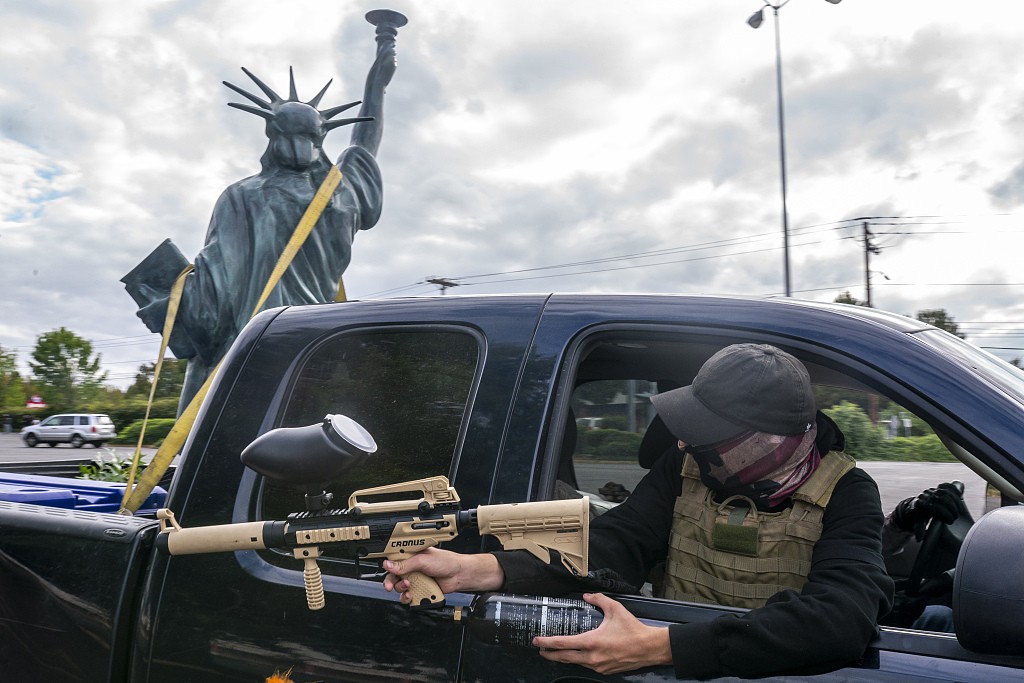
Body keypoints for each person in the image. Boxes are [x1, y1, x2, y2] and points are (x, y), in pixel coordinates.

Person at [384, 343, 895, 679]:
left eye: (707, 433)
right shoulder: (685, 466)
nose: (684, 442)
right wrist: (478, 568)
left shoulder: (847, 491)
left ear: (768, 443)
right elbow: (616, 544)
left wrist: (660, 647)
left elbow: (841, 620)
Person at [123, 13, 403, 414]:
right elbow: (365, 141)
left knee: (225, 445)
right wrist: (376, 84)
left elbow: (212, 306)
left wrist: (167, 288)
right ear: (321, 139)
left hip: (246, 357)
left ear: (270, 136)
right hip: (313, 352)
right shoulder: (342, 196)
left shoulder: (241, 197)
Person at [883, 482, 965, 632]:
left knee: (942, 615)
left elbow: (861, 543)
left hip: (858, 601)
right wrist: (877, 612)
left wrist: (904, 515)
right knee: (945, 621)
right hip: (847, 624)